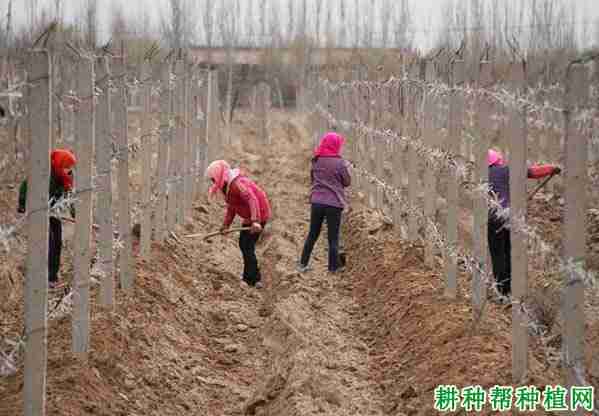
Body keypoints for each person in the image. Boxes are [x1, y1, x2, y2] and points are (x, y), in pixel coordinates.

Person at [487, 149, 560, 299]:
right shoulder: (507, 170)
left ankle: (502, 292)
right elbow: (533, 172)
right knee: (507, 252)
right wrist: (552, 169)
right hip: (509, 216)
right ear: (498, 160)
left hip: (493, 219)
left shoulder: (480, 175)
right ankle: (510, 288)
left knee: (497, 254)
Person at [205, 160, 271, 289]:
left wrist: (255, 221)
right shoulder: (228, 187)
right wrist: (226, 225)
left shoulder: (237, 184)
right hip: (251, 217)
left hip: (259, 215)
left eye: (214, 179)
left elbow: (252, 199)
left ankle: (252, 279)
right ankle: (252, 277)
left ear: (219, 175)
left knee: (247, 245)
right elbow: (232, 207)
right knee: (245, 244)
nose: (213, 182)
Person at [18, 149, 77, 290]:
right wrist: (22, 204)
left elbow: (70, 195)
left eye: (70, 166)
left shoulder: (67, 176)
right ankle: (41, 275)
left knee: (57, 242)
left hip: (54, 212)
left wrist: (76, 214)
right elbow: (25, 185)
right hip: (40, 211)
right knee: (48, 242)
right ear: (59, 163)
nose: (68, 169)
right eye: (66, 165)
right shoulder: (44, 171)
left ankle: (52, 277)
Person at [298, 132, 351, 274]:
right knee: (333, 237)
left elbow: (312, 178)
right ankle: (333, 268)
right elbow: (347, 182)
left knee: (313, 234)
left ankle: (302, 263)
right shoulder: (339, 163)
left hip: (317, 202)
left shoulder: (316, 160)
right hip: (334, 204)